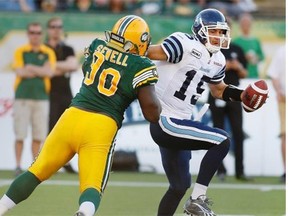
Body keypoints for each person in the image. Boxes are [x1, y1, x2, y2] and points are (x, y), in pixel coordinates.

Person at [0, 15, 161, 216]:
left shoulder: (97, 46)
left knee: (35, 171)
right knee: (92, 186)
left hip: (71, 117)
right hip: (102, 125)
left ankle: (2, 207)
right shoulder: (142, 65)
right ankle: (84, 213)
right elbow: (152, 112)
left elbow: (88, 72)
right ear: (141, 40)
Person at [147, 8, 263, 216]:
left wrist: (242, 95)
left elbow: (218, 89)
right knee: (222, 140)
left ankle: (190, 199)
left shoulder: (218, 59)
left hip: (178, 122)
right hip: (166, 120)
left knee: (179, 185)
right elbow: (150, 51)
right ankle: (197, 199)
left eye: (221, 32)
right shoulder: (185, 43)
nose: (219, 36)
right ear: (201, 30)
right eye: (214, 31)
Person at [12, 22, 56, 176]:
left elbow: (50, 73)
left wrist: (30, 67)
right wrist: (40, 70)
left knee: (38, 135)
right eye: (32, 32)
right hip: (22, 97)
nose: (35, 35)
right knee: (20, 134)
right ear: (28, 34)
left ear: (41, 34)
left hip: (41, 97)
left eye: (38, 32)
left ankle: (33, 166)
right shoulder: (20, 51)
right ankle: (17, 165)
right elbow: (20, 72)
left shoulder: (48, 52)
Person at [208, 19, 249, 181]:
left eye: (224, 30)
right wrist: (227, 66)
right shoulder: (212, 50)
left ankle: (240, 171)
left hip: (234, 96)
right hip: (216, 93)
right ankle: (221, 170)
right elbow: (206, 71)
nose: (222, 34)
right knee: (217, 134)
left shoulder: (237, 49)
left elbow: (245, 73)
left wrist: (238, 67)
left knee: (238, 133)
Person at [46, 16, 79, 173]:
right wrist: (58, 67)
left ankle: (65, 162)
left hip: (66, 93)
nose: (56, 29)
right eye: (53, 27)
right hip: (48, 94)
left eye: (59, 27)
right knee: (50, 129)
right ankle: (49, 162)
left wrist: (52, 67)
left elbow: (73, 65)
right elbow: (44, 70)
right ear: (48, 29)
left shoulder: (67, 48)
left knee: (69, 130)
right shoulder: (44, 49)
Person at [267, 45, 286, 183]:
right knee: (285, 135)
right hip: (285, 100)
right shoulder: (282, 50)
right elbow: (274, 75)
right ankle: (286, 171)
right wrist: (278, 91)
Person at [233, 13, 264, 78]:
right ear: (240, 25)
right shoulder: (235, 41)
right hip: (240, 76)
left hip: (254, 75)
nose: (246, 26)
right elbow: (232, 58)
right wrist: (244, 58)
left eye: (248, 24)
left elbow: (262, 56)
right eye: (244, 24)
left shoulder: (255, 41)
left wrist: (255, 57)